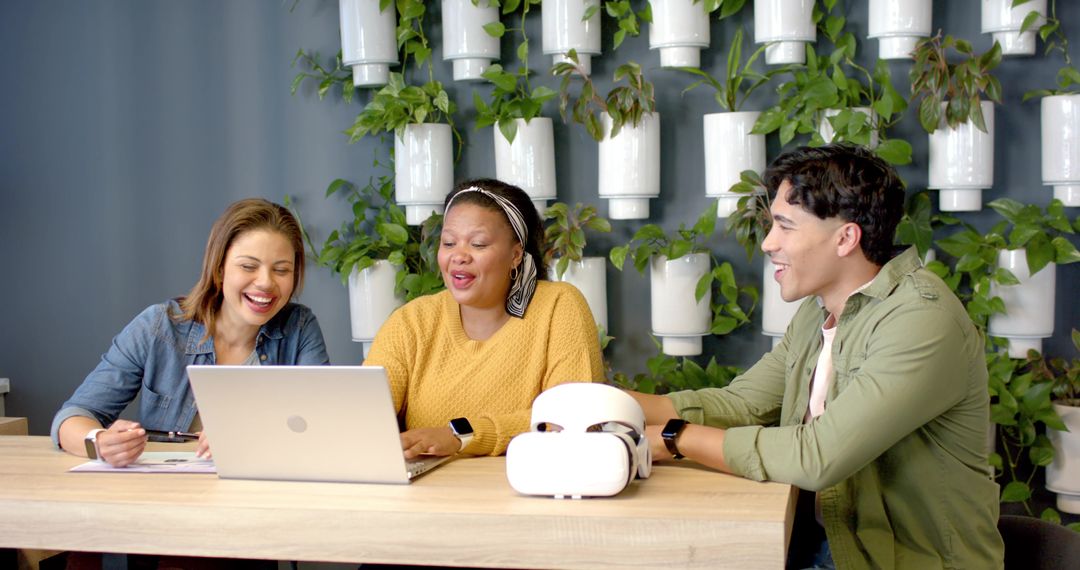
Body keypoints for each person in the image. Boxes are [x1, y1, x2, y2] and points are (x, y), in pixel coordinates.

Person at [630, 145, 1004, 568]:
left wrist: (674, 439)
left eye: (785, 227)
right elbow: (744, 403)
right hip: (821, 544)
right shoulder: (819, 310)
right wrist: (611, 404)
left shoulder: (921, 319)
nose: (769, 243)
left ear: (846, 238)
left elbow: (819, 455)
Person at [51, 198, 329, 467]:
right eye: (248, 266)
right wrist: (99, 442)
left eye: (282, 270)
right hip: (171, 497)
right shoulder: (158, 327)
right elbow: (72, 417)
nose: (266, 283)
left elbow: (323, 421)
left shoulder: (299, 327)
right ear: (219, 268)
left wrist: (255, 433)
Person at [364, 178, 605, 458]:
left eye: (477, 244)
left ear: (516, 254)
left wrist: (461, 435)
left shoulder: (559, 306)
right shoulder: (412, 321)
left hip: (528, 491)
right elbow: (364, 415)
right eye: (449, 242)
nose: (459, 256)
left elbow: (571, 419)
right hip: (426, 496)